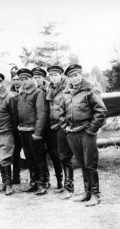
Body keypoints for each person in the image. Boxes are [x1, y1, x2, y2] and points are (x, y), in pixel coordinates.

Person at [60, 64, 107, 207]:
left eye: (76, 75)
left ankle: (95, 194)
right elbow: (61, 113)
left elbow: (101, 111)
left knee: (90, 164)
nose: (74, 78)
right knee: (81, 163)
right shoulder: (67, 93)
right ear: (68, 78)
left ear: (81, 75)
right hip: (72, 133)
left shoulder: (90, 91)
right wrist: (65, 128)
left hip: (86, 132)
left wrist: (92, 129)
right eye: (71, 76)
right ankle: (86, 193)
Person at [14, 68, 49, 195]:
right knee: (29, 158)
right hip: (23, 130)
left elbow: (42, 114)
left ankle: (43, 183)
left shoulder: (38, 93)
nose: (23, 82)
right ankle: (33, 182)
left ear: (31, 79)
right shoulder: (21, 94)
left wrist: (38, 133)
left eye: (26, 79)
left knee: (39, 158)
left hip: (34, 131)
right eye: (21, 80)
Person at [32, 66, 63, 189]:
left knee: (54, 153)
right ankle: (44, 179)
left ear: (43, 78)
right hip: (38, 126)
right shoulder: (31, 90)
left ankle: (60, 180)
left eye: (39, 77)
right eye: (34, 77)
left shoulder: (49, 88)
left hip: (50, 126)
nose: (37, 79)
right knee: (39, 154)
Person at [45, 65, 73, 199]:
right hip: (51, 126)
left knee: (64, 156)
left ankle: (69, 187)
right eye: (51, 75)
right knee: (54, 155)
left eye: (56, 75)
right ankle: (60, 184)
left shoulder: (67, 87)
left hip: (61, 125)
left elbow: (69, 108)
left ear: (61, 75)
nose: (54, 77)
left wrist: (61, 124)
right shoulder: (49, 87)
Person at [9, 66, 22, 184]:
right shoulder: (9, 93)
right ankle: (16, 176)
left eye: (18, 79)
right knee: (15, 152)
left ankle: (39, 178)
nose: (16, 81)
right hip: (14, 126)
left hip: (26, 124)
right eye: (14, 79)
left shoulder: (27, 90)